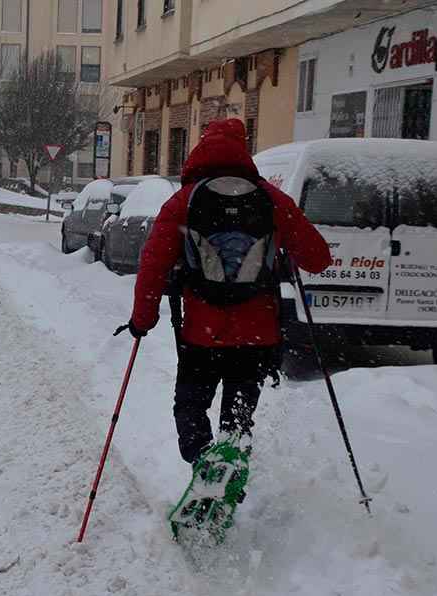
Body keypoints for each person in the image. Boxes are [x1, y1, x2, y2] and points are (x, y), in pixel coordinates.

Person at [124, 118, 332, 466]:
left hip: (201, 337)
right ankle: (229, 466)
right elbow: (319, 259)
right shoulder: (270, 198)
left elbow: (152, 267)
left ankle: (203, 461)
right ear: (243, 149)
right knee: (237, 417)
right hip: (256, 338)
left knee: (190, 407)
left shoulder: (183, 201)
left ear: (201, 148)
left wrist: (141, 320)